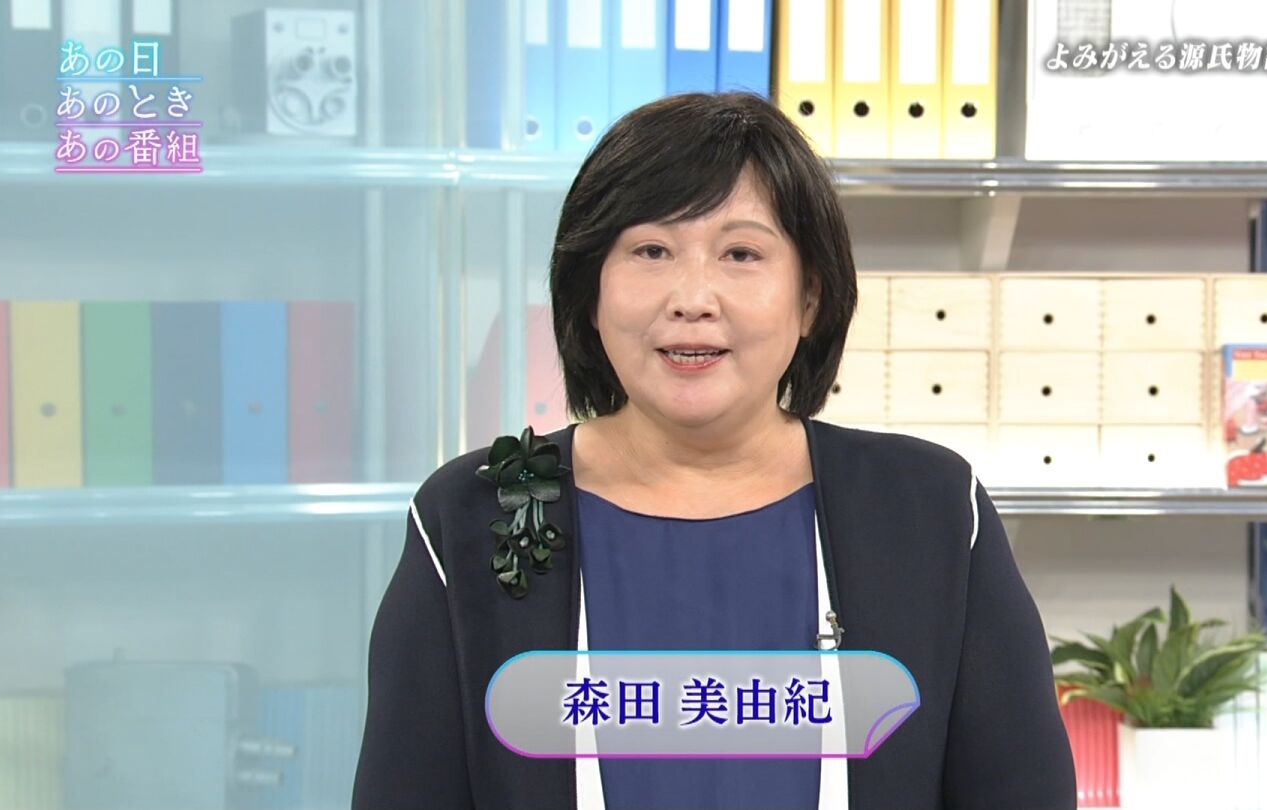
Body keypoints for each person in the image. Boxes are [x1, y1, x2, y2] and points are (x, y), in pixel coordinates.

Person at [352, 92, 1076, 810]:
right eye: (651, 251)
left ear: (810, 297)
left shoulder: (927, 506)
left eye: (741, 253)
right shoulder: (477, 507)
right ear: (589, 292)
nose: (692, 298)